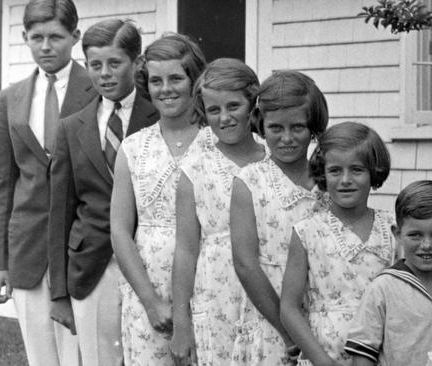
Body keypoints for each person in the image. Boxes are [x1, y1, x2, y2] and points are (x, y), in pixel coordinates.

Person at [0, 1, 96, 365]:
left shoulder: (96, 89)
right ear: (25, 39)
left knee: (81, 355)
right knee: (41, 357)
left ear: (75, 37)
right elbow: (2, 184)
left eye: (56, 37)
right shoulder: (11, 98)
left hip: (81, 247)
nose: (46, 46)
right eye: (37, 38)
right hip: (28, 249)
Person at [47, 19, 159, 366]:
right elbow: (60, 213)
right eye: (95, 65)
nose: (105, 74)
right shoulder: (71, 127)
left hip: (151, 264)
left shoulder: (159, 116)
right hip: (92, 268)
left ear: (137, 63)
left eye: (115, 63)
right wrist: (59, 293)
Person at [110, 32, 210, 366]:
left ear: (195, 80)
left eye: (176, 78)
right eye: (156, 80)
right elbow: (120, 230)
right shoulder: (134, 148)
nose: (165, 88)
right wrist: (150, 301)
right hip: (148, 283)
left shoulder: (217, 142)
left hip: (212, 281)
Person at [169, 58, 266, 366]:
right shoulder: (194, 171)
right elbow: (185, 251)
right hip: (218, 296)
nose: (224, 118)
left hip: (269, 288)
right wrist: (181, 323)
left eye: (234, 106)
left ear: (252, 104)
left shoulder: (273, 159)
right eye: (214, 110)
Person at [230, 70, 329, 365]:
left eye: (297, 127)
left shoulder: (330, 180)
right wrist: (288, 332)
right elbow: (246, 265)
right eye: (276, 128)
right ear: (261, 126)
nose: (287, 138)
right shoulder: (249, 181)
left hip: (321, 313)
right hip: (271, 318)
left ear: (312, 128)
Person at [280, 122, 397, 366]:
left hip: (382, 356)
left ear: (373, 172)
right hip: (325, 356)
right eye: (335, 171)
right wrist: (322, 362)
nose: (345, 180)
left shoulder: (392, 229)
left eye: (356, 170)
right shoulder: (307, 232)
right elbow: (289, 309)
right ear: (323, 174)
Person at [344, 180, 432, 366]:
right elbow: (362, 355)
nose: (426, 245)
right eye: (415, 235)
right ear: (398, 234)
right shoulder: (382, 290)